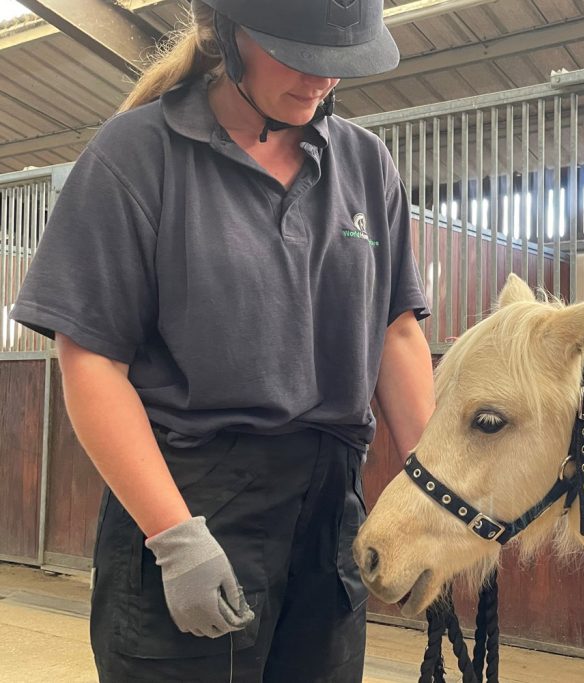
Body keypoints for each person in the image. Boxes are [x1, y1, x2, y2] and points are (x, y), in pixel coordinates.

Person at [12, 0, 434, 680]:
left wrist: (431, 504)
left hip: (329, 510)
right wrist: (175, 538)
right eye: (297, 56)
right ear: (225, 33)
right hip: (191, 500)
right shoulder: (135, 157)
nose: (320, 80)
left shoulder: (366, 165)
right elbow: (91, 365)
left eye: (336, 64)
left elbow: (396, 332)